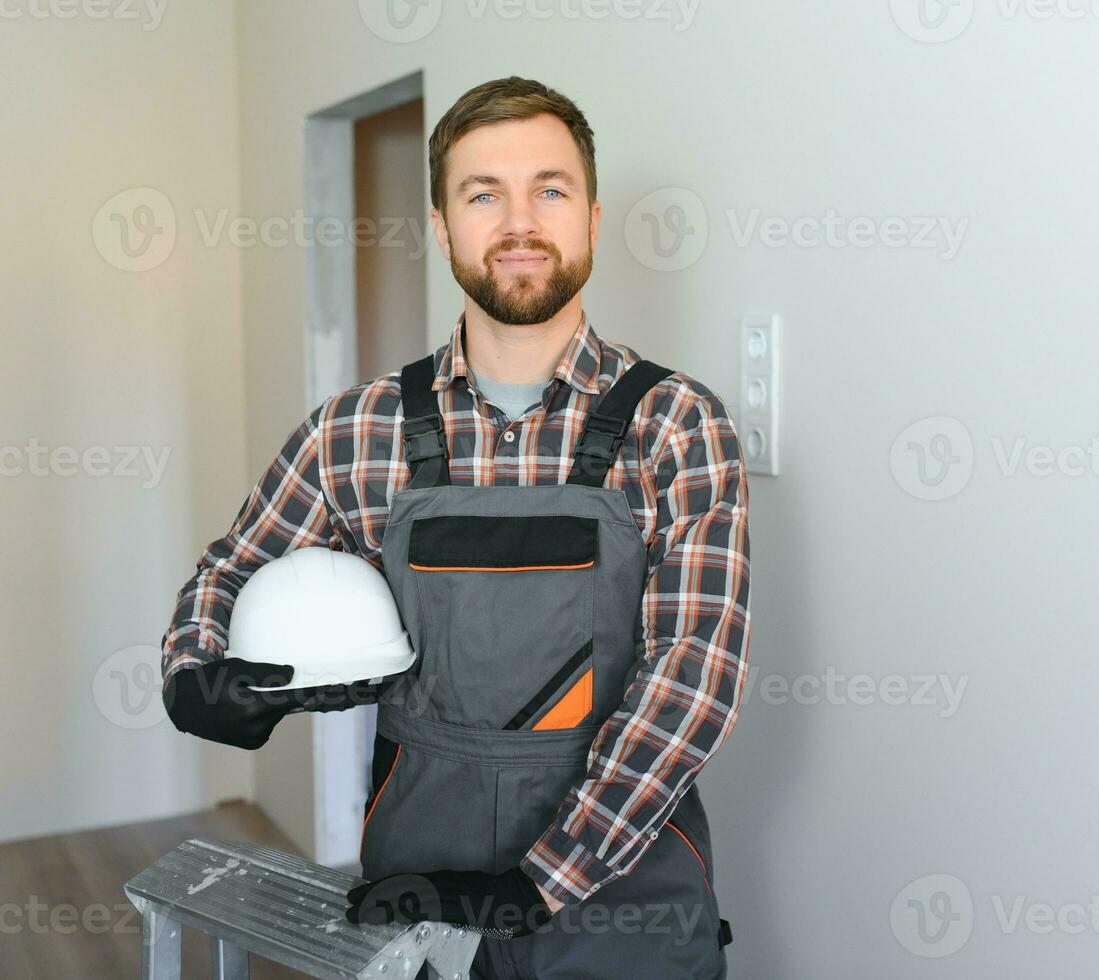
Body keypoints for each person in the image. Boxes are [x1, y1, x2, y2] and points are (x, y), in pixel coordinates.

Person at [159, 75, 750, 979]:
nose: (519, 222)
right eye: (483, 194)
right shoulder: (356, 431)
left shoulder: (676, 426)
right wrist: (199, 678)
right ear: (441, 226)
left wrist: (535, 886)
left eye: (548, 190)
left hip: (623, 903)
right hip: (417, 895)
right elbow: (231, 571)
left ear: (591, 216)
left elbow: (689, 687)